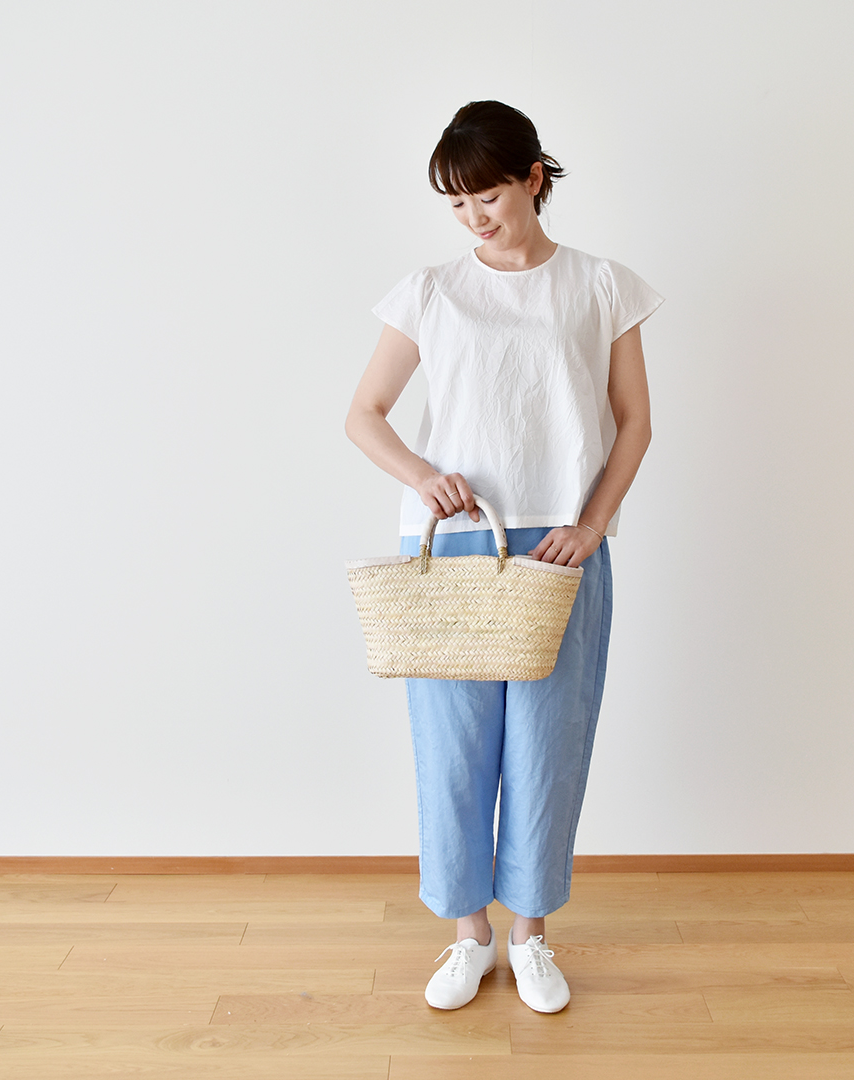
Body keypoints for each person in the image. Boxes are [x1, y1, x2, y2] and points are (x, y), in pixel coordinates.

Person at [345, 100, 662, 1013]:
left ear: (533, 178)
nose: (474, 216)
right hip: (451, 549)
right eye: (456, 203)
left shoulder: (602, 286)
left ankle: (529, 935)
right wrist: (423, 476)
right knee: (452, 752)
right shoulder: (429, 292)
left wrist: (592, 526)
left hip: (560, 548)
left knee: (547, 751)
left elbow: (635, 423)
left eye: (487, 195)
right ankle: (467, 938)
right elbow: (364, 414)